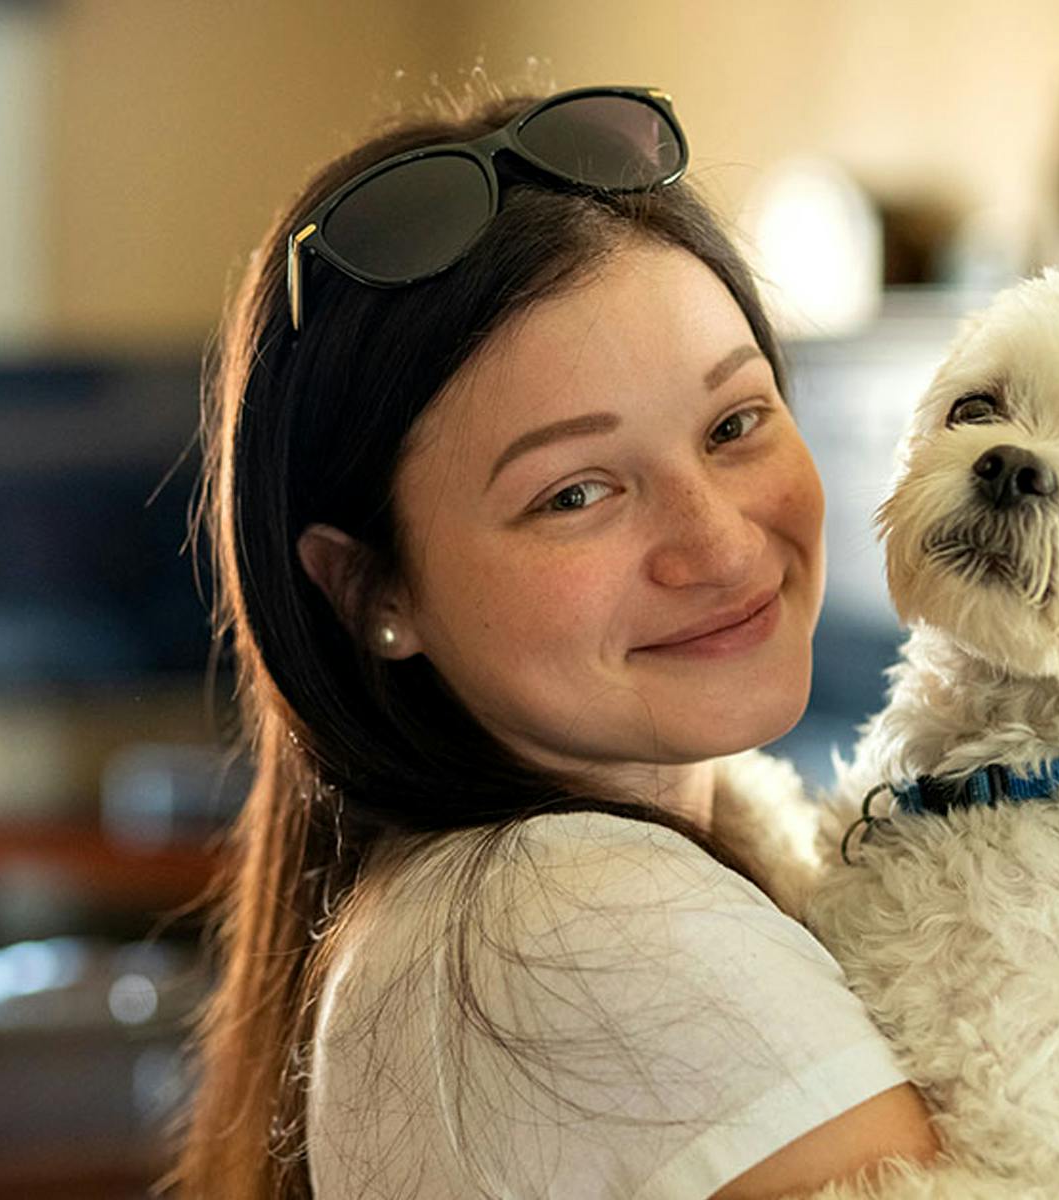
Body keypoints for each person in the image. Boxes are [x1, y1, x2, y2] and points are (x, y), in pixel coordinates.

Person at [167, 85, 941, 1200]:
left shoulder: (465, 902)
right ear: (371, 587)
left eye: (735, 424)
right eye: (576, 493)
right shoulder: (570, 918)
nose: (720, 548)